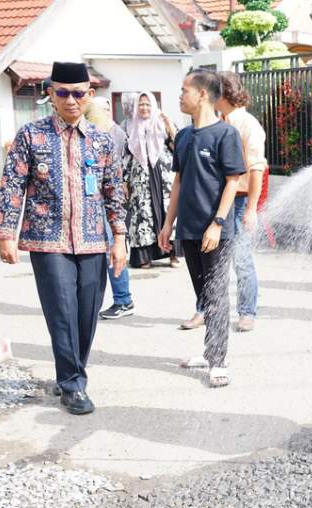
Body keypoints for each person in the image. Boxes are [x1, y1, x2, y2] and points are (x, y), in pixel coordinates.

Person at [0, 61, 127, 414]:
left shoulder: (101, 142)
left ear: (90, 95)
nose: (71, 100)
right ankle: (73, 384)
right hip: (46, 240)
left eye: (79, 93)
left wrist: (120, 238)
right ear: (51, 94)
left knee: (87, 314)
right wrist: (6, 234)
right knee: (62, 314)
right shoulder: (31, 136)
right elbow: (12, 187)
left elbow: (114, 192)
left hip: (92, 241)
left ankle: (70, 372)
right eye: (64, 92)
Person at [158, 69, 245, 388]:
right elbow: (178, 182)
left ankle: (219, 361)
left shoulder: (226, 134)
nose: (180, 96)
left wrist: (217, 224)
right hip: (189, 229)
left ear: (203, 95)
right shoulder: (182, 136)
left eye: (184, 90)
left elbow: (233, 181)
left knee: (217, 295)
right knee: (203, 296)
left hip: (216, 232)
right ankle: (211, 351)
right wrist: (168, 223)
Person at [201, 71, 267, 333]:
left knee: (241, 258)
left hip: (239, 201)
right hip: (220, 199)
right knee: (213, 258)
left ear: (223, 94)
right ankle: (205, 309)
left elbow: (256, 169)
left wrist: (251, 209)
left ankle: (247, 312)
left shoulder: (247, 125)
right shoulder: (220, 121)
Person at [86, 97, 135, 319]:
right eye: (101, 109)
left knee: (112, 252)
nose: (106, 112)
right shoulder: (87, 131)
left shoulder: (111, 134)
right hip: (93, 202)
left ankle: (123, 300)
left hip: (105, 203)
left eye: (108, 108)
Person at [124, 91, 180, 269]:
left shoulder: (163, 121)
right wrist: (124, 180)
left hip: (163, 174)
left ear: (154, 105)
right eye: (141, 104)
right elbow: (125, 155)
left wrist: (170, 126)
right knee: (143, 213)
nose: (144, 108)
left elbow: (178, 145)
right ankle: (144, 257)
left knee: (167, 210)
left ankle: (173, 254)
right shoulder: (128, 125)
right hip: (140, 176)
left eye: (148, 104)